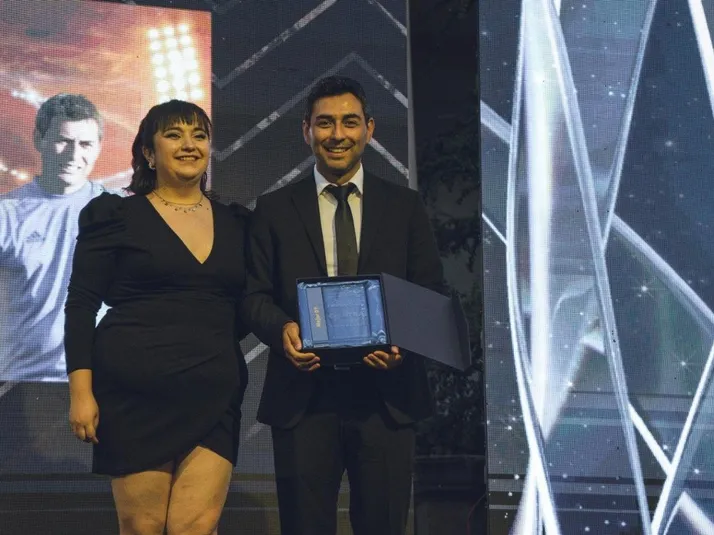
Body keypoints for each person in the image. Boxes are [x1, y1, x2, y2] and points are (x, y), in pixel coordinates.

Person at [243, 76, 444, 535]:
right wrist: (282, 330)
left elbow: (430, 292)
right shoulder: (274, 208)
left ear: (369, 129)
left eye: (350, 122)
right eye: (325, 123)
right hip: (303, 397)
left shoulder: (405, 207)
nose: (337, 134)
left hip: (387, 397)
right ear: (306, 131)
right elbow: (253, 296)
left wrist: (401, 343)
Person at [64, 100, 250, 535]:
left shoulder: (239, 224)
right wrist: (81, 392)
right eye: (174, 135)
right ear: (148, 152)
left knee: (196, 527)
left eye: (199, 135)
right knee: (142, 527)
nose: (189, 144)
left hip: (212, 392)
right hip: (134, 396)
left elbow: (249, 305)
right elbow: (81, 304)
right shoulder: (115, 217)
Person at [0, 93, 106, 381]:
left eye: (85, 144)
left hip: (100, 383)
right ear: (39, 140)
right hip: (23, 381)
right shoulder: (6, 214)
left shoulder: (122, 213)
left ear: (99, 147)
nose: (73, 155)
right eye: (63, 141)